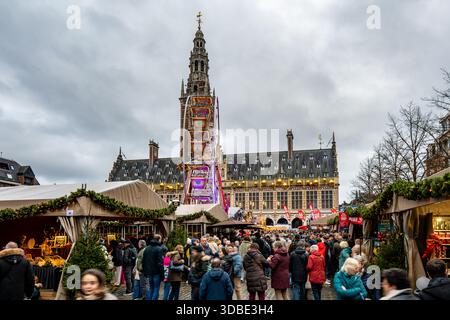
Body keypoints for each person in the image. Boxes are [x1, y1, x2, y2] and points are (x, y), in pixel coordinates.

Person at [143, 234, 164, 300]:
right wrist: (162, 274)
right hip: (156, 272)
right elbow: (160, 263)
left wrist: (145, 272)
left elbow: (144, 261)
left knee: (151, 288)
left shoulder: (147, 248)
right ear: (158, 239)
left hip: (149, 272)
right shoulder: (159, 249)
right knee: (156, 288)